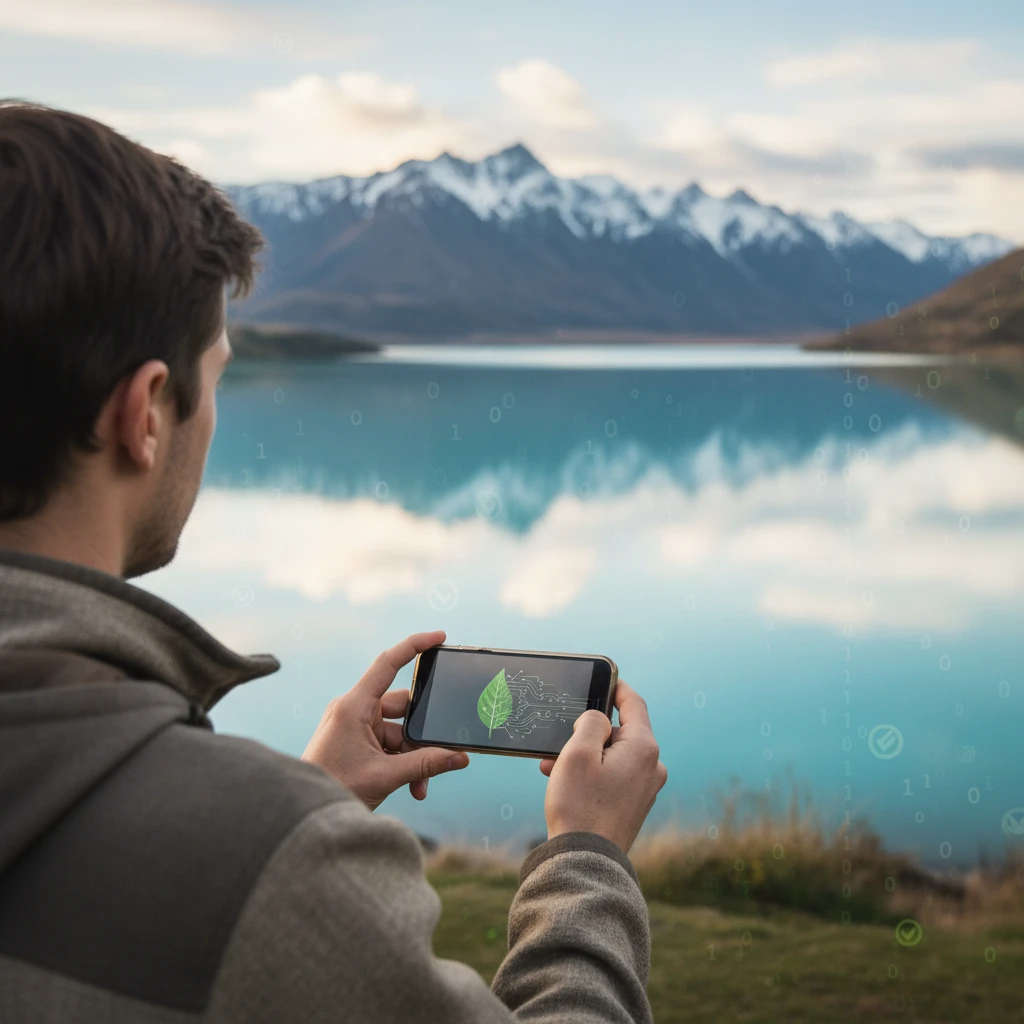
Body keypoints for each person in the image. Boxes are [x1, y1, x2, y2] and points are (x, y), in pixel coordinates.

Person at [0, 99, 669, 1024]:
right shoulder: (272, 866)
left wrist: (312, 799)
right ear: (145, 413)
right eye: (219, 374)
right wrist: (587, 856)